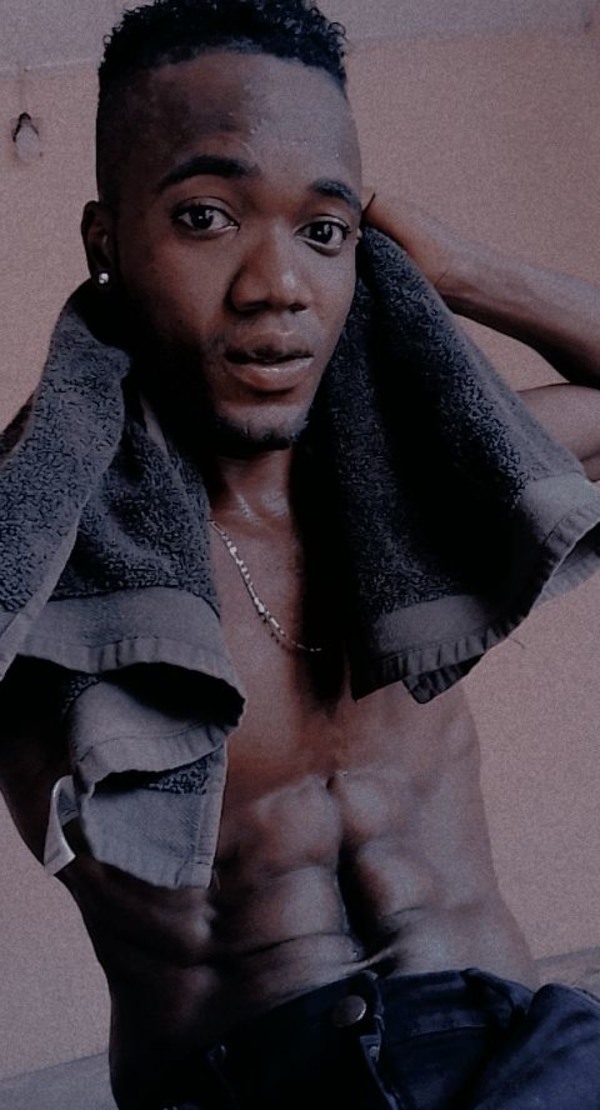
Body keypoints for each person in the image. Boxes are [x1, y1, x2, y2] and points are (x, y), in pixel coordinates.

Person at [1, 2, 600, 1107]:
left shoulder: (424, 493)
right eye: (205, 217)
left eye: (323, 230)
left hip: (522, 1056)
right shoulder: (34, 557)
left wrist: (460, 269)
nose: (277, 282)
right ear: (106, 244)